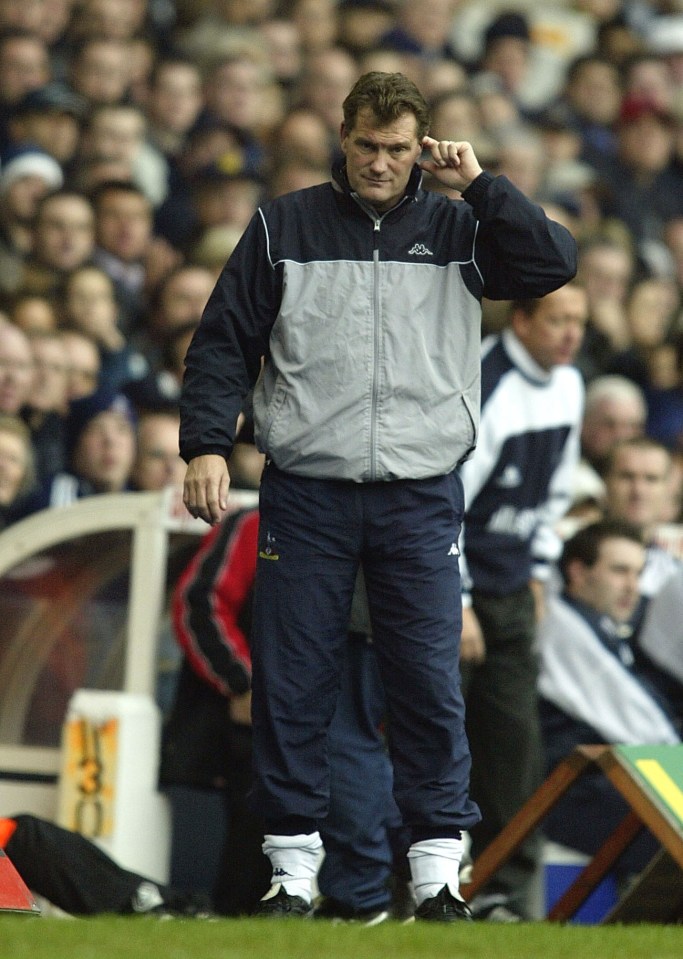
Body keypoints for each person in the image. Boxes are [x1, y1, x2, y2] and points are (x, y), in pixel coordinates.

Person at [179, 70, 577, 923]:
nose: (380, 163)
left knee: (428, 681)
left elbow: (550, 264)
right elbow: (221, 341)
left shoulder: (463, 225)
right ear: (343, 134)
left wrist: (480, 182)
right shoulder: (280, 224)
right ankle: (292, 875)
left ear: (421, 147)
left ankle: (437, 876)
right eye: (367, 145)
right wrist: (206, 444)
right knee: (293, 682)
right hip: (306, 491)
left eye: (398, 149)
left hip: (420, 491)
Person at [457, 281, 588, 921]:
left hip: (511, 590)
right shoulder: (485, 380)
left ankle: (508, 894)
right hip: (452, 590)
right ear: (524, 319)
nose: (571, 335)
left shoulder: (570, 386)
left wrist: (537, 572)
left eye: (580, 322)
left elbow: (554, 496)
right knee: (435, 744)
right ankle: (411, 881)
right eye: (559, 320)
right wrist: (454, 600)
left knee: (515, 750)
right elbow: (444, 497)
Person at [537, 519, 680, 878]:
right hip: (574, 790)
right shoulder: (564, 627)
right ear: (578, 572)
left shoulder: (603, 628)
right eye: (619, 571)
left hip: (609, 779)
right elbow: (644, 728)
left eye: (638, 573)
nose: (632, 587)